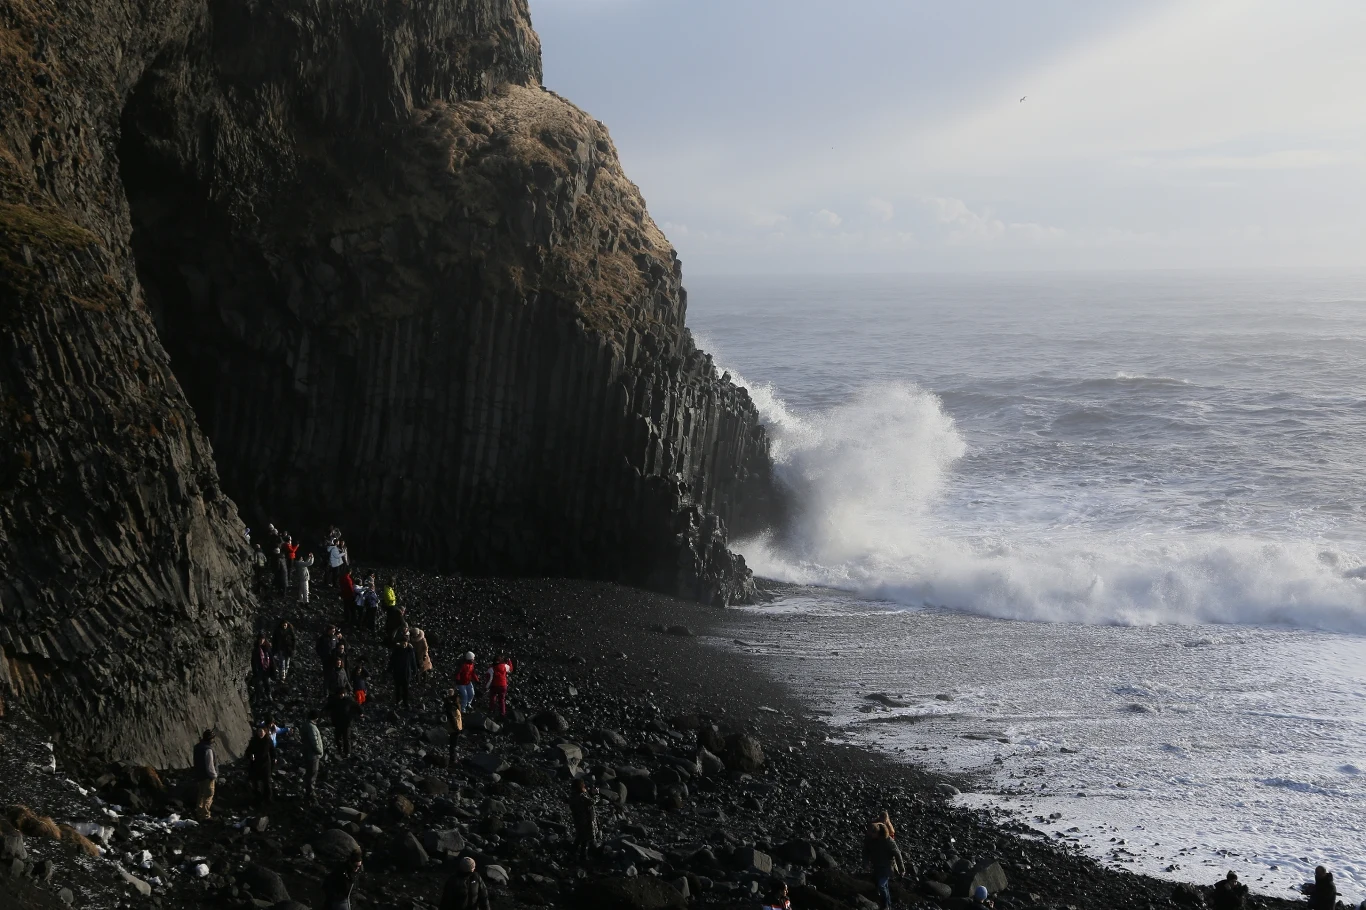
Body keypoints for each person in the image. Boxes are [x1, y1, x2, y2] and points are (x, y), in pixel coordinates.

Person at [864, 822, 903, 910]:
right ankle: (888, 905)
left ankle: (885, 906)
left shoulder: (888, 841)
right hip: (877, 867)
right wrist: (866, 864)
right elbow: (865, 852)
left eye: (872, 833)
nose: (870, 834)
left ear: (878, 833)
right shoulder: (869, 840)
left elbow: (897, 854)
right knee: (883, 886)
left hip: (887, 867)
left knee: (882, 885)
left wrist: (901, 869)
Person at [245, 724, 276, 804]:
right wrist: (250, 755)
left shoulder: (268, 741)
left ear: (265, 732)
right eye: (259, 731)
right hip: (255, 764)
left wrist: (274, 758)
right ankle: (257, 799)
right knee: (256, 782)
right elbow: (248, 751)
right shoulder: (254, 741)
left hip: (266, 764)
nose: (260, 733)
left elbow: (272, 751)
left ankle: (268, 799)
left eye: (262, 731)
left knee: (267, 782)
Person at [568, 779, 598, 862]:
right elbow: (593, 801)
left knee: (579, 836)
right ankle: (583, 856)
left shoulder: (573, 796)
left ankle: (572, 853)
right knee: (585, 838)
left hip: (578, 819)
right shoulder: (581, 797)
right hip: (585, 820)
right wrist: (596, 794)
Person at [192, 729, 218, 820]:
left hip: (199, 775)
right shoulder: (208, 749)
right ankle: (205, 815)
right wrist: (214, 775)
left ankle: (199, 813)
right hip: (208, 776)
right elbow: (210, 765)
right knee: (208, 795)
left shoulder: (197, 747)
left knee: (201, 794)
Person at [301, 711, 325, 802]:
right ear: (315, 718)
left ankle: (308, 791)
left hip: (307, 753)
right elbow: (314, 742)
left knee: (309, 773)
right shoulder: (312, 727)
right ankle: (310, 794)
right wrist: (320, 751)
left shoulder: (305, 725)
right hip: (313, 755)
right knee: (312, 774)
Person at [389, 633, 417, 708]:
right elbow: (392, 661)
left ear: (407, 643)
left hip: (406, 673)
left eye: (405, 643)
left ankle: (405, 702)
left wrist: (415, 670)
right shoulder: (397, 650)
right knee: (397, 688)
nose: (404, 644)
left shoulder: (410, 651)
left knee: (405, 689)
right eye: (402, 643)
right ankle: (397, 701)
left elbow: (413, 661)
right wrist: (389, 669)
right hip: (397, 673)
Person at [328, 689, 358, 758]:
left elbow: (357, 706)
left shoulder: (349, 700)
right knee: (337, 738)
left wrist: (361, 713)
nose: (341, 696)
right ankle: (339, 750)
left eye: (342, 694)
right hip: (337, 723)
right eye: (339, 694)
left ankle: (347, 752)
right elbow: (328, 707)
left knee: (346, 738)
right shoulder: (335, 701)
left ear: (345, 694)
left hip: (346, 723)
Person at [251, 632, 274, 703]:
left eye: (263, 639)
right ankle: (258, 699)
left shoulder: (267, 648)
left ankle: (268, 696)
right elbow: (253, 661)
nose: (261, 641)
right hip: (259, 669)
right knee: (258, 685)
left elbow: (271, 659)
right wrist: (255, 671)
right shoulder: (256, 649)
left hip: (266, 669)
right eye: (260, 639)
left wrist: (273, 669)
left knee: (267, 683)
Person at [443, 688, 463, 764]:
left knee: (453, 744)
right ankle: (453, 759)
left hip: (455, 727)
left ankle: (453, 758)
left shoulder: (451, 706)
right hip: (455, 728)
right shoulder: (453, 707)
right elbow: (453, 719)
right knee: (453, 745)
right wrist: (457, 728)